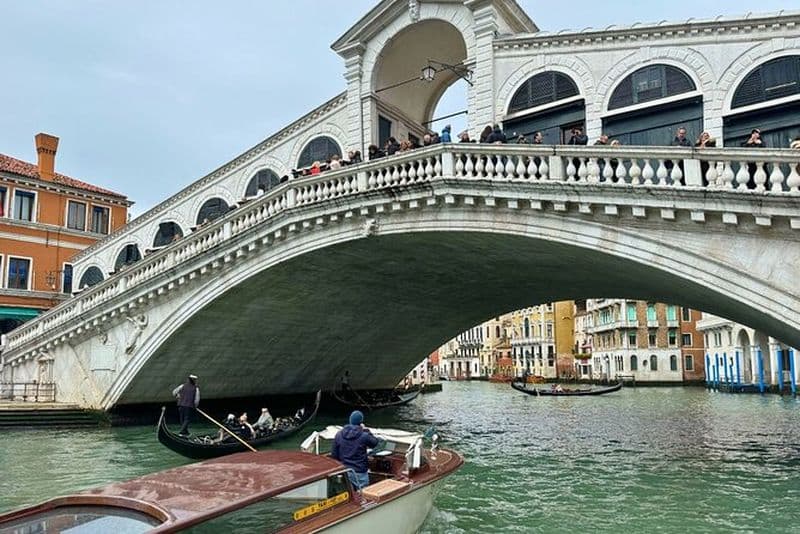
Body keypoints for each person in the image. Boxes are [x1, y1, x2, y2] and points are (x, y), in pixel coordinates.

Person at [331, 410, 381, 490]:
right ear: (361, 422)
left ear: (350, 420)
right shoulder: (364, 435)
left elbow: (334, 455)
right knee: (364, 494)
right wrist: (366, 430)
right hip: (359, 471)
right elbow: (374, 443)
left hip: (344, 471)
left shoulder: (339, 434)